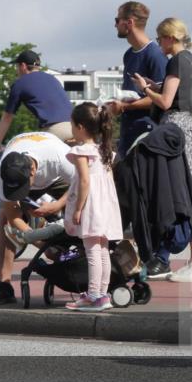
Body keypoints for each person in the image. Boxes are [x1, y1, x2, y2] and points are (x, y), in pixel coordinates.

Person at [133, 16, 192, 282]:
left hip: (176, 129)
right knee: (189, 192)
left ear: (169, 37)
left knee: (184, 194)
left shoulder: (175, 61)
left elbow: (166, 102)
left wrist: (146, 89)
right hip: (189, 126)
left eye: (159, 38)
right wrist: (154, 86)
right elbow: (177, 93)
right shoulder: (191, 60)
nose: (158, 43)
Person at [105, 1, 169, 277]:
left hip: (146, 135)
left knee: (142, 198)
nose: (115, 24)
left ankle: (155, 256)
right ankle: (124, 254)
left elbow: (160, 99)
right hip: (128, 134)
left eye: (117, 19)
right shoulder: (129, 55)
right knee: (124, 197)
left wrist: (125, 106)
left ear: (129, 22)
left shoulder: (154, 55)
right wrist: (119, 105)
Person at [0, 131, 75, 304]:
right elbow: (13, 217)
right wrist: (38, 241)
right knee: (5, 218)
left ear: (33, 171)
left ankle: (82, 263)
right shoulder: (3, 172)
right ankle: (4, 286)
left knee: (81, 207)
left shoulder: (59, 157)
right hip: (24, 163)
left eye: (21, 187)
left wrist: (58, 205)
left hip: (58, 177)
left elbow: (83, 183)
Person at [62, 103, 123, 311]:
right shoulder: (104, 150)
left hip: (91, 205)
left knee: (92, 251)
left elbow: (85, 181)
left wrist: (78, 209)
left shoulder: (81, 152)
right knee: (103, 250)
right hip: (105, 205)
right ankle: (102, 294)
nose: (71, 129)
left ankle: (94, 295)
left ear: (80, 127)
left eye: (72, 125)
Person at [0, 49, 73, 153]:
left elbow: (7, 117)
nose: (17, 71)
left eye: (17, 67)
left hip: (55, 132)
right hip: (77, 127)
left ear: (23, 66)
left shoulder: (20, 84)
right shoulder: (53, 79)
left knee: (27, 157)